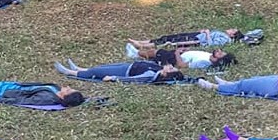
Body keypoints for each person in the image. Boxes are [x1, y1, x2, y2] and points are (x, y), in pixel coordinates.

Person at [54, 58, 187, 83]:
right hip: (128, 65)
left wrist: (113, 78)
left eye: (170, 69)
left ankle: (70, 72)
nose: (169, 66)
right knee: (100, 68)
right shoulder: (158, 68)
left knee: (97, 73)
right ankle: (79, 68)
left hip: (124, 72)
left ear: (166, 74)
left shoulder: (151, 75)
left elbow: (133, 80)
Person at [128, 28, 243, 51]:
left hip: (195, 40)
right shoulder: (223, 34)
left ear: (233, 35)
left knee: (171, 42)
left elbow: (210, 45)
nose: (230, 29)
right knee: (168, 37)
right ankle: (143, 42)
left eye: (233, 30)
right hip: (197, 35)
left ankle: (142, 46)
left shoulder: (226, 40)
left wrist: (207, 34)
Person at [130, 45, 236, 70]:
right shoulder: (209, 56)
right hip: (181, 54)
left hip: (175, 58)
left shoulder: (204, 62)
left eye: (221, 54)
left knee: (157, 52)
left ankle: (136, 53)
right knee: (155, 55)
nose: (219, 51)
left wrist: (177, 53)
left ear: (219, 60)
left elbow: (181, 65)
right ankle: (140, 55)